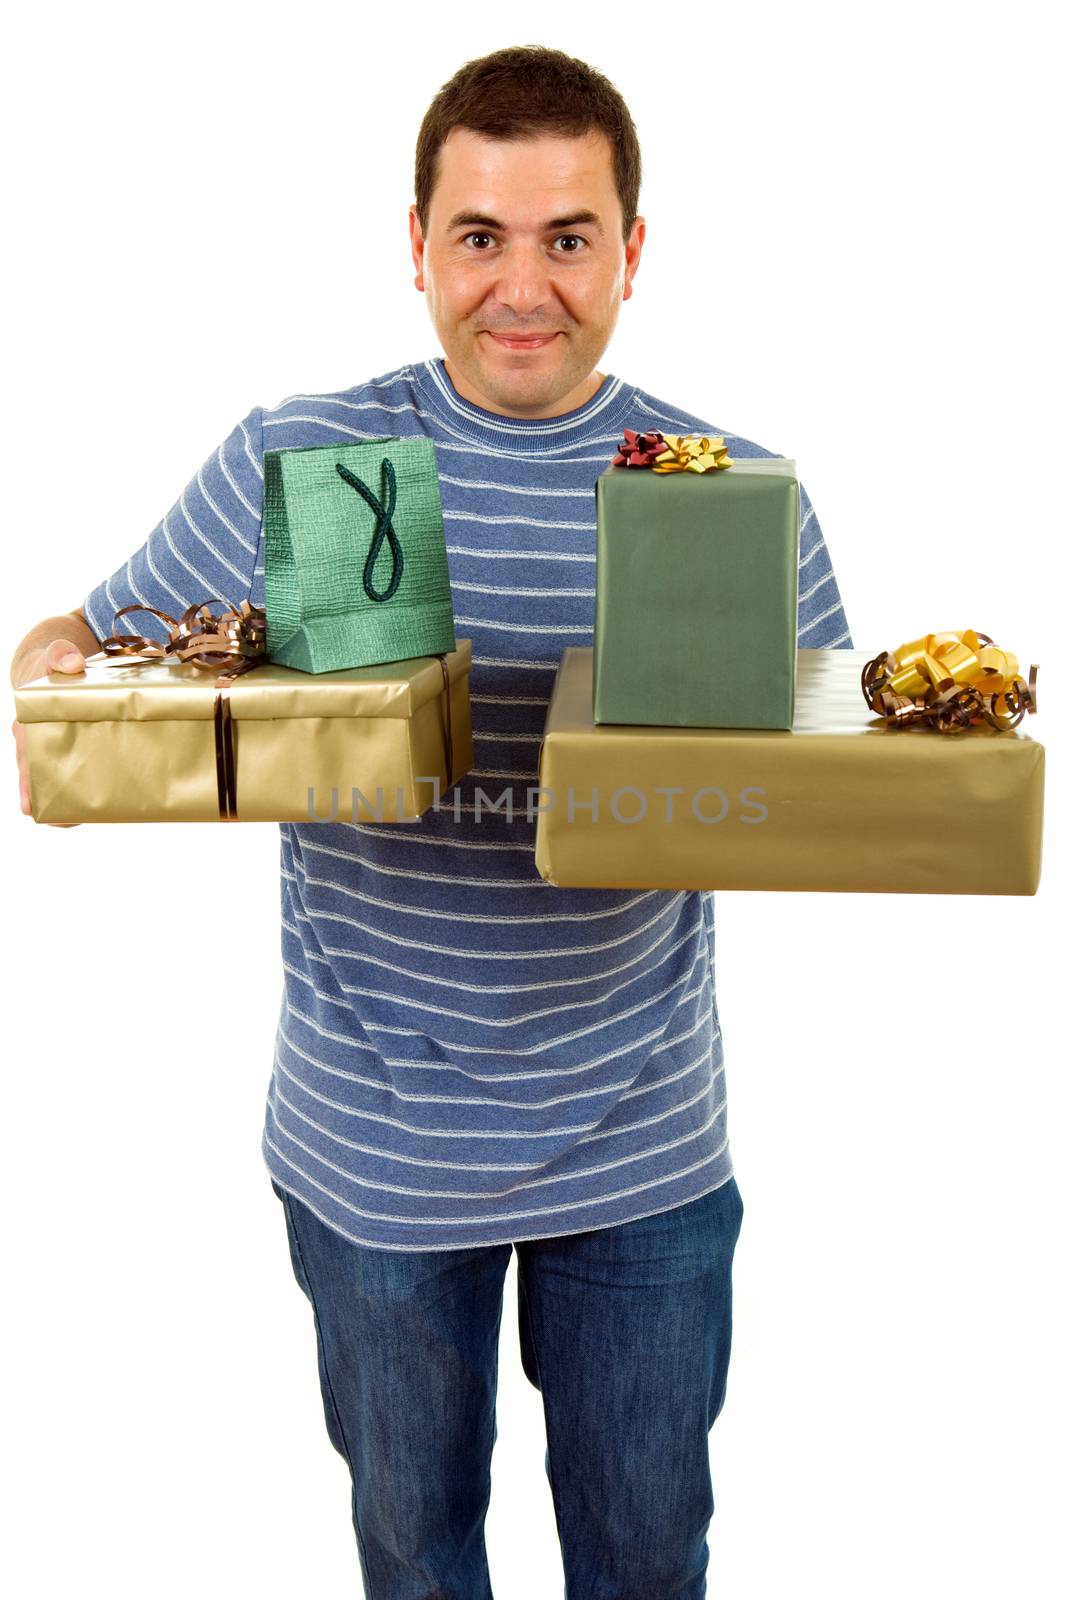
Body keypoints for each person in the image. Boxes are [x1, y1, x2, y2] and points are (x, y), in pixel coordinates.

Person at [10, 44, 852, 1600]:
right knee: (413, 1560)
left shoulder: (725, 491)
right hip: (375, 1156)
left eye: (567, 236)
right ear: (416, 247)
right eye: (479, 236)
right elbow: (75, 638)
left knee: (651, 1560)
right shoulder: (306, 458)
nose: (521, 286)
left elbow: (816, 771)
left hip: (645, 1151)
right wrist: (64, 698)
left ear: (632, 254)